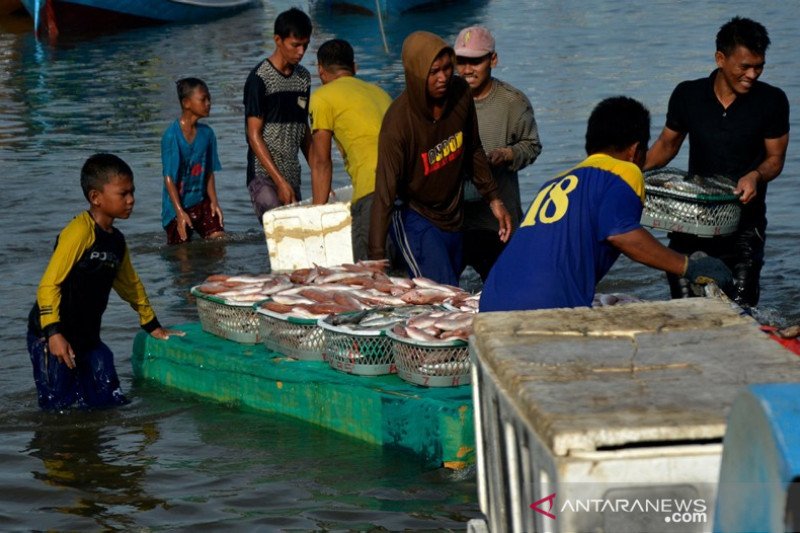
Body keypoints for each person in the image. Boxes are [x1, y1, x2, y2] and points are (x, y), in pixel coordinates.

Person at [479, 96, 733, 312]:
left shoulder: (554, 182)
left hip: (491, 301)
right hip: (543, 306)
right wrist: (688, 266)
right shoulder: (624, 170)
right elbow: (622, 235)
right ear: (635, 151)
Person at [645, 16, 790, 308]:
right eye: (744, 66)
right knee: (686, 309)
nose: (752, 74)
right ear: (720, 58)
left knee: (741, 311)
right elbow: (666, 146)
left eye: (758, 66)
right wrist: (625, 171)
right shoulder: (688, 95)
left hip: (746, 224)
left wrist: (755, 176)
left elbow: (775, 159)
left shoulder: (773, 101)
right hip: (693, 221)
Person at [26, 153, 180, 410]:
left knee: (111, 400)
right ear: (96, 197)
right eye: (123, 194)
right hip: (52, 336)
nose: (131, 200)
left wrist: (152, 324)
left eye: (133, 192)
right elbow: (48, 285)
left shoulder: (116, 242)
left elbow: (131, 285)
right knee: (60, 410)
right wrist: (53, 333)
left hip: (88, 339)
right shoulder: (79, 232)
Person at [368, 30, 512, 286]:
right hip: (414, 215)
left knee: (462, 285)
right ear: (416, 74)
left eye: (448, 68)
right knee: (443, 293)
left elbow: (473, 149)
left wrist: (494, 198)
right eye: (434, 72)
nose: (443, 77)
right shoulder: (398, 124)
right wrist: (376, 257)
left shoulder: (461, 94)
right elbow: (384, 194)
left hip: (453, 213)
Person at [454, 26, 542, 281]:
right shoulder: (446, 99)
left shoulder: (512, 101)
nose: (467, 70)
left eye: (475, 61)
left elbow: (532, 145)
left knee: (506, 287)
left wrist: (507, 154)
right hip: (455, 219)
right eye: (461, 61)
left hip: (496, 222)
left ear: (493, 60)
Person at [309, 39, 392, 261]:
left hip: (372, 190)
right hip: (405, 189)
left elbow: (321, 163)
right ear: (354, 67)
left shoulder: (322, 97)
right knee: (401, 275)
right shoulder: (379, 92)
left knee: (369, 275)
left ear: (320, 70)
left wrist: (317, 217)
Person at [243, 7, 313, 222]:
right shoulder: (259, 78)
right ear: (277, 40)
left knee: (297, 237)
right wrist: (279, 181)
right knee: (279, 225)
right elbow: (253, 134)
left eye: (305, 45)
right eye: (295, 45)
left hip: (292, 175)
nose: (301, 52)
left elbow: (303, 131)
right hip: (263, 175)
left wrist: (320, 175)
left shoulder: (303, 78)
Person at [161, 77, 224, 245]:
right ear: (187, 103)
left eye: (209, 98)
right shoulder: (171, 136)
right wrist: (180, 212)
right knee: (183, 258)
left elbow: (209, 171)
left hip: (201, 202)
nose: (208, 103)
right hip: (176, 207)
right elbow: (169, 178)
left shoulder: (208, 134)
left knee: (219, 243)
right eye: (203, 99)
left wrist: (214, 202)